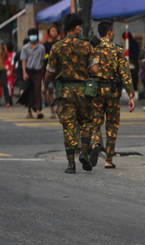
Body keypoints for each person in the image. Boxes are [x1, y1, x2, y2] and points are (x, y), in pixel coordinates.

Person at [44, 14, 98, 174]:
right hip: (84, 91)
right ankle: (84, 151)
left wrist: (44, 86)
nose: (81, 29)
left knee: (68, 126)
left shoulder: (57, 47)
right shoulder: (87, 46)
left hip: (65, 92)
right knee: (87, 122)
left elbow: (49, 72)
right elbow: (94, 69)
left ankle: (70, 164)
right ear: (76, 28)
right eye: (80, 26)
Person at [89, 20, 135, 169]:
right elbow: (125, 74)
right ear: (109, 32)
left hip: (96, 90)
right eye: (113, 31)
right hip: (112, 91)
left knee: (96, 122)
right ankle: (109, 159)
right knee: (112, 125)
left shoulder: (93, 49)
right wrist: (131, 95)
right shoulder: (118, 50)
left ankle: (95, 143)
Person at [18, 28, 46, 119]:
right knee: (28, 91)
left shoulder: (41, 47)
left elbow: (42, 61)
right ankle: (29, 111)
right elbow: (23, 61)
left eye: (34, 35)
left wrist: (42, 74)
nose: (33, 37)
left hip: (37, 72)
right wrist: (24, 73)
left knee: (37, 90)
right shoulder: (25, 47)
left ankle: (38, 111)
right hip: (28, 71)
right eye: (31, 35)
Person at [43, 25, 61, 119]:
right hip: (49, 71)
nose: (53, 32)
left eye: (55, 30)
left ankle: (58, 108)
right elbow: (43, 59)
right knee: (50, 90)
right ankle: (52, 110)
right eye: (52, 31)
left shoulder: (60, 44)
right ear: (49, 33)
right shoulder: (45, 45)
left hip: (59, 72)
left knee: (59, 91)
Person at [122, 32, 139, 96]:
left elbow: (133, 53)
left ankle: (132, 91)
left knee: (131, 77)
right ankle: (134, 91)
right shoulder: (133, 43)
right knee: (133, 77)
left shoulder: (131, 44)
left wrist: (130, 61)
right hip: (133, 61)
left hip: (132, 62)